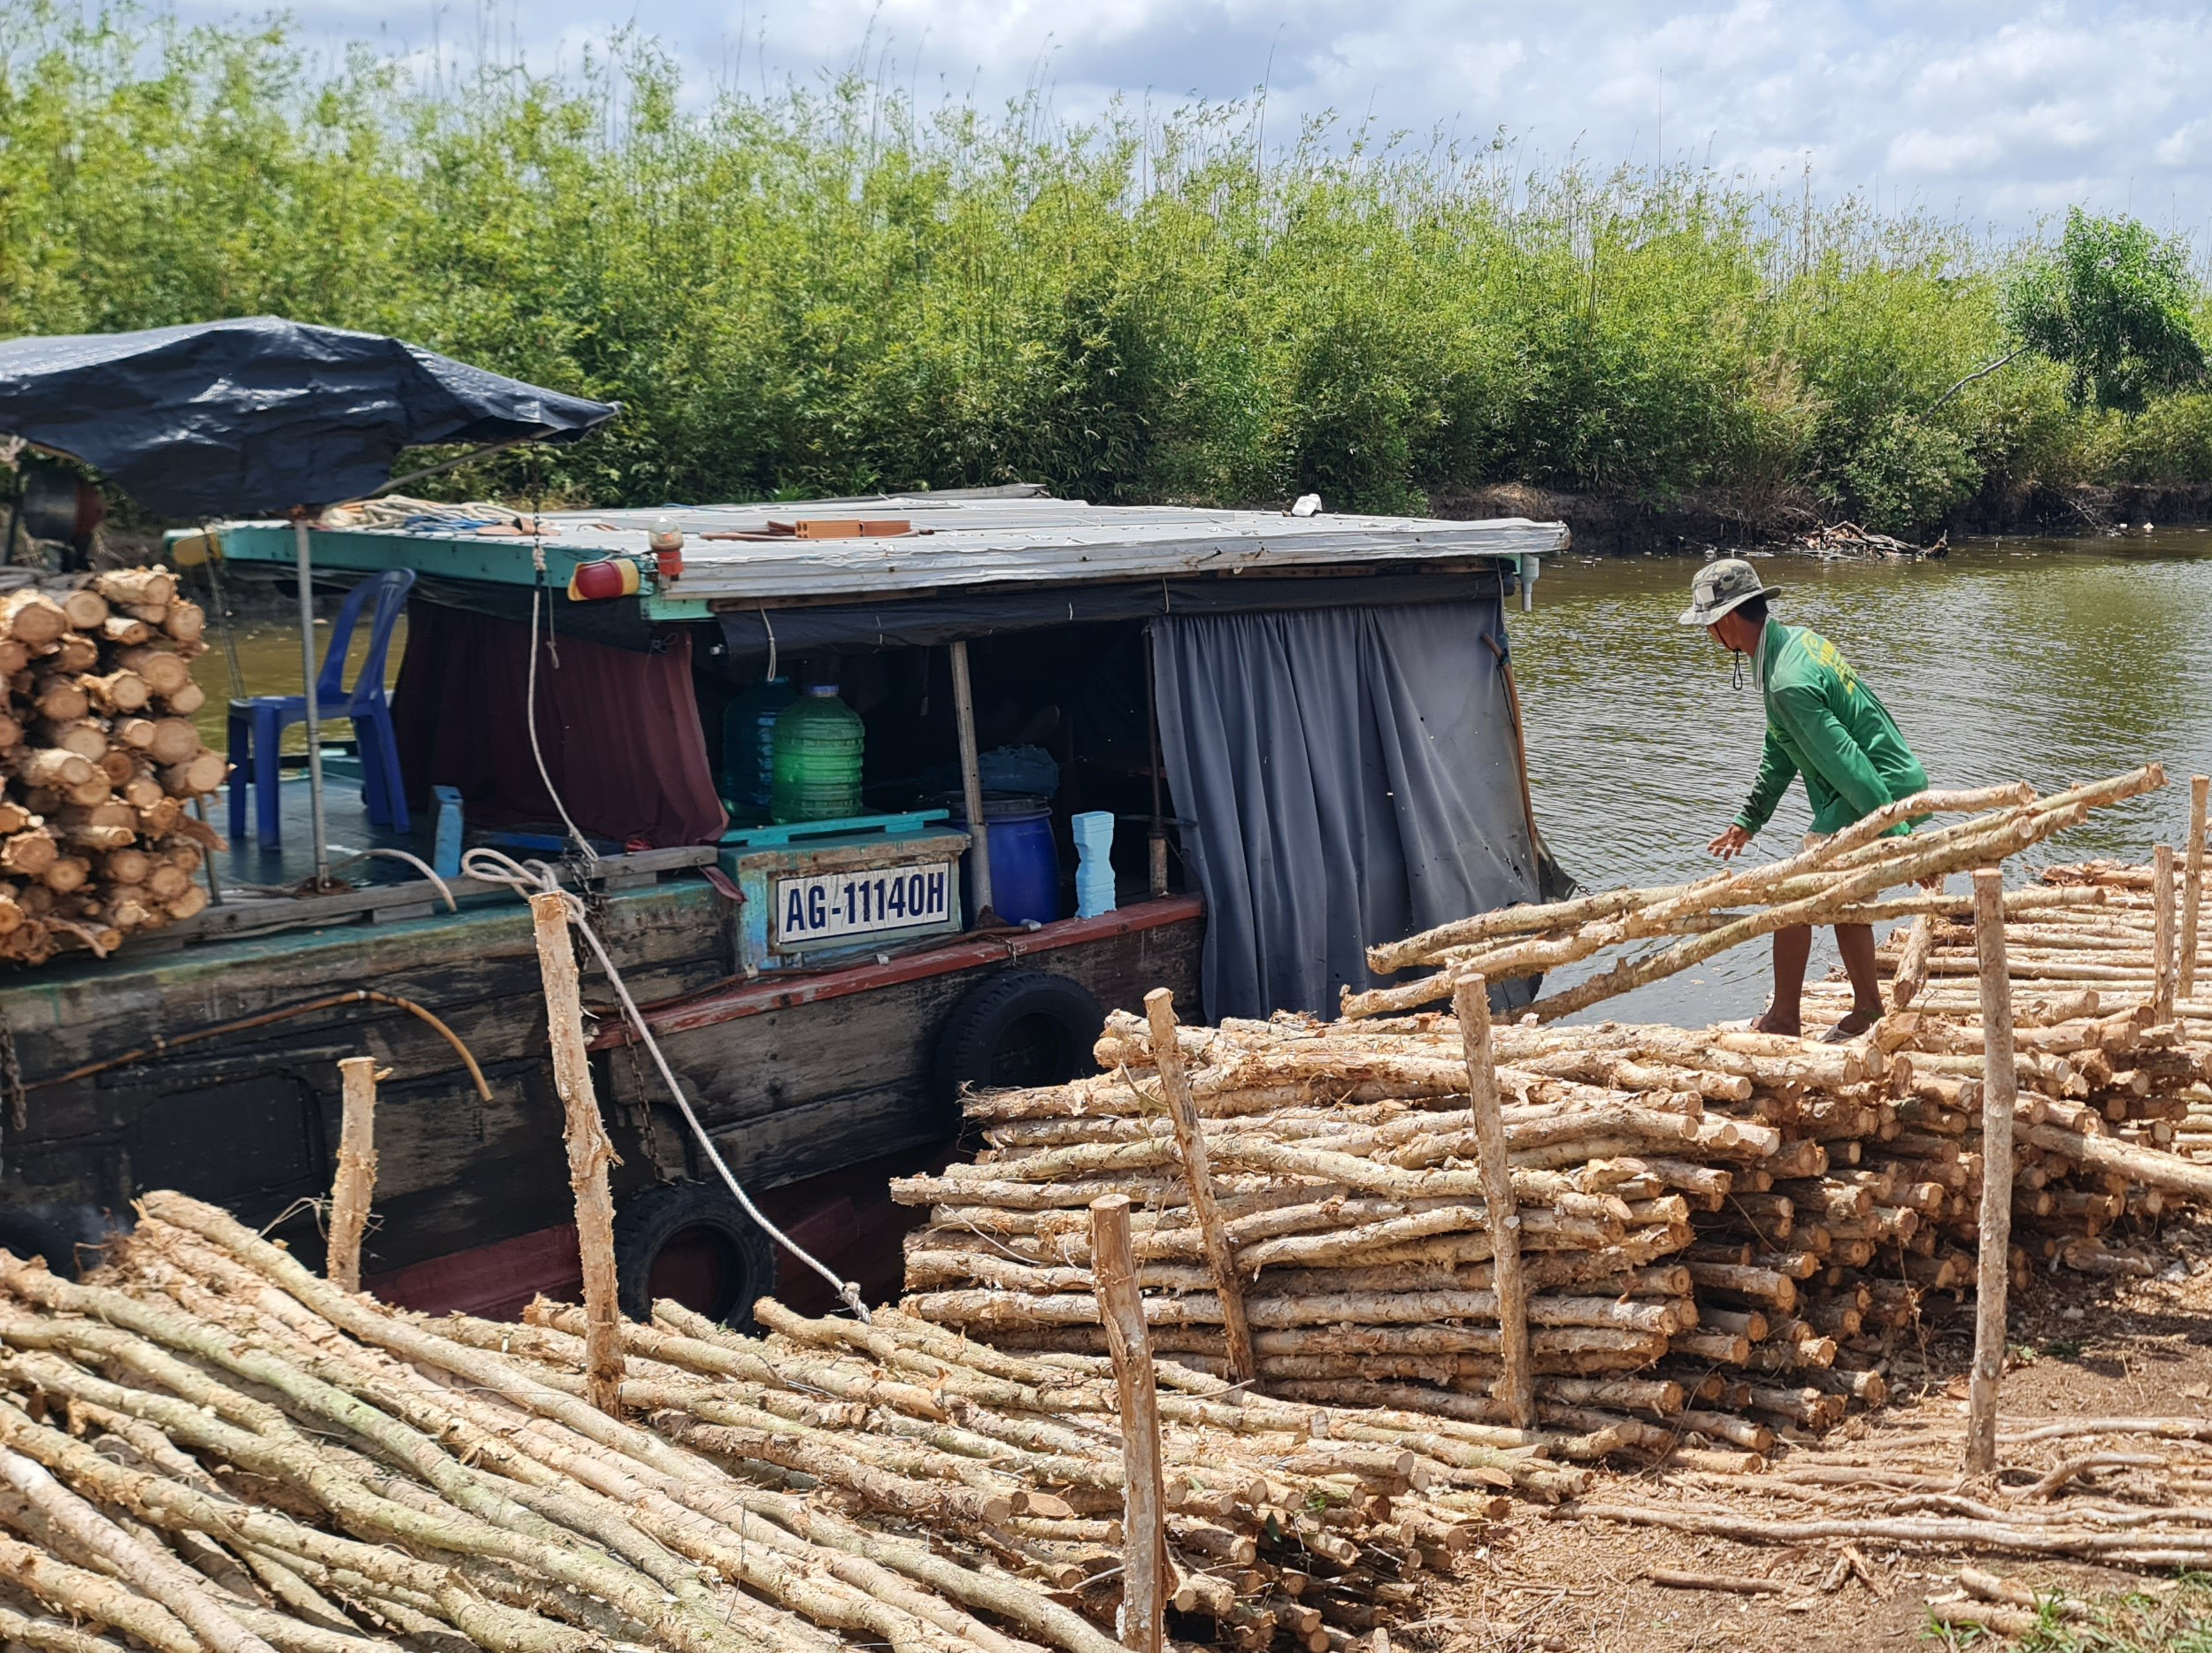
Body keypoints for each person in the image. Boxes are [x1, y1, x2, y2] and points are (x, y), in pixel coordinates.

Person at [1680, 558, 1929, 1041]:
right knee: (1843, 898)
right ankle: (1868, 1011)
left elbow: (1848, 764)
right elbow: (1782, 749)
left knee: (1793, 894)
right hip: (1882, 784)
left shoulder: (1788, 681)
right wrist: (1748, 819)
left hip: (1872, 791)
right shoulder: (1793, 646)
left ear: (1727, 620)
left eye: (1708, 624)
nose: (1709, 635)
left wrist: (1899, 838)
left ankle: (1784, 1020)